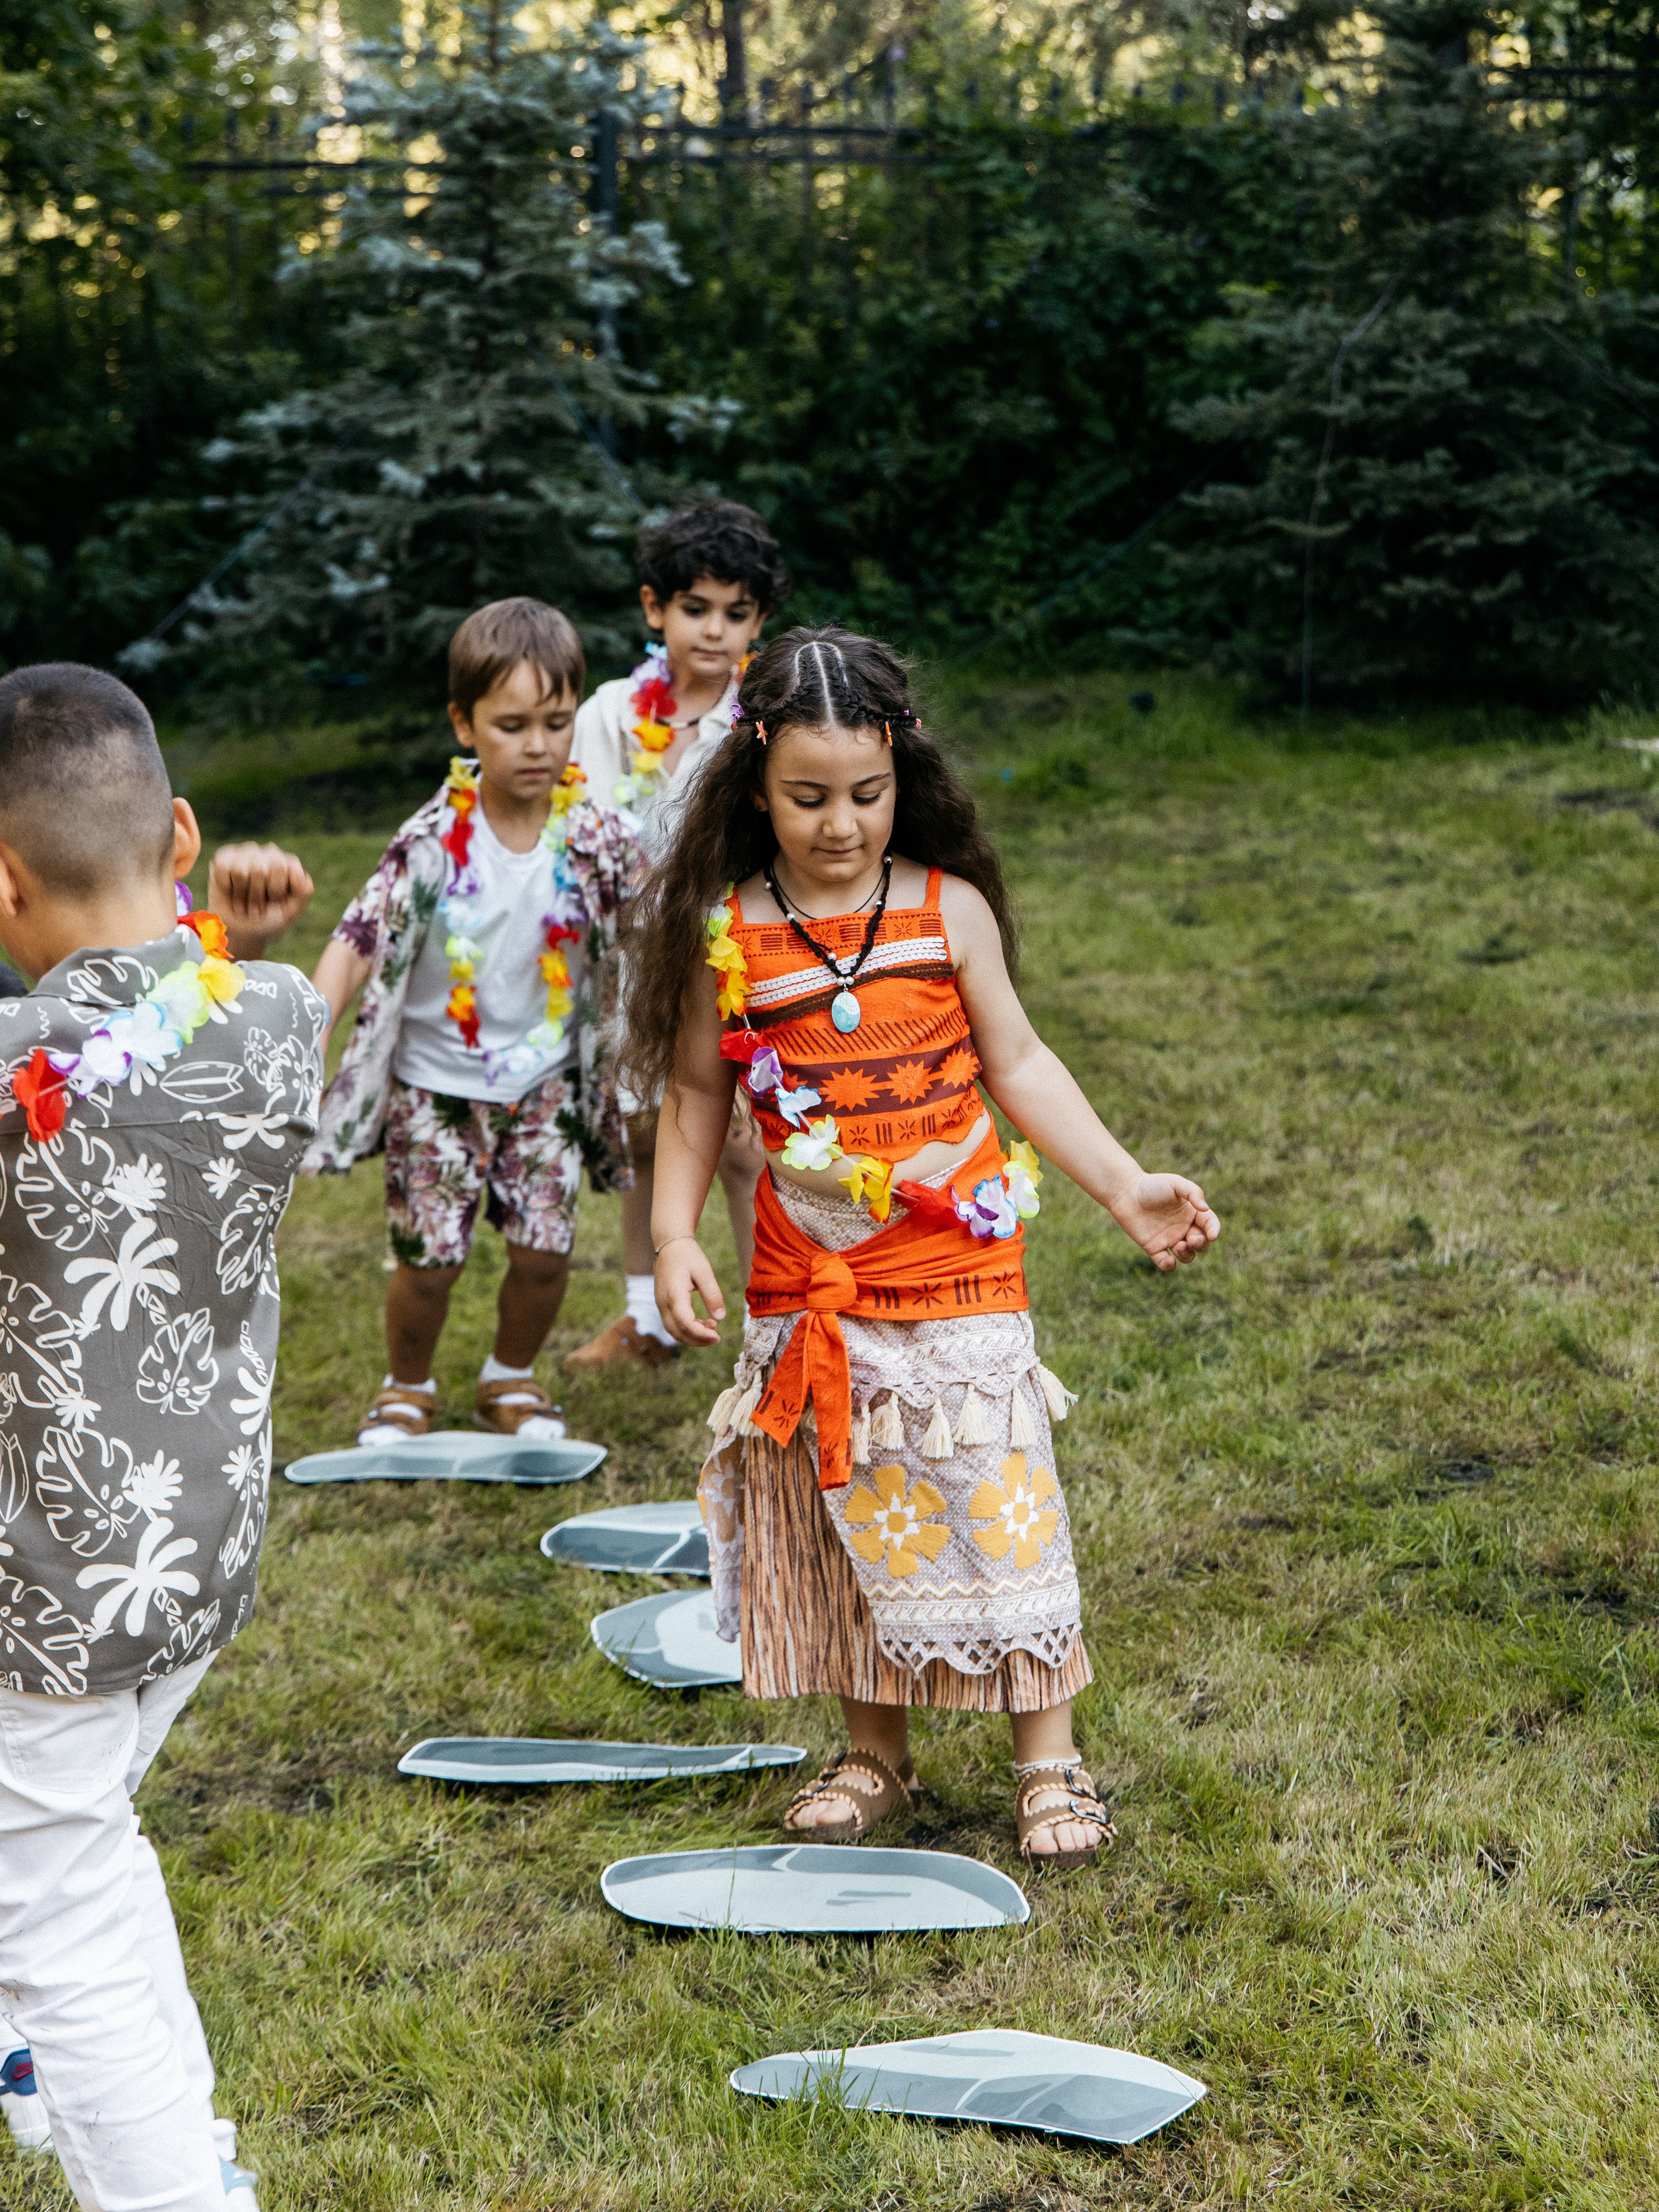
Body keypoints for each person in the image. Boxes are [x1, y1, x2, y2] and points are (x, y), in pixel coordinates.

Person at [629, 628, 1220, 1868]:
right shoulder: (730, 932)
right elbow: (695, 1096)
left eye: (865, 793)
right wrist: (676, 1231)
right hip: (815, 1279)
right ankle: (875, 1752)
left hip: (955, 1265)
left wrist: (1124, 1187)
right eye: (806, 798)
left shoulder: (944, 909)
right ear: (752, 786)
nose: (840, 824)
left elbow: (1020, 1062)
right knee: (857, 1504)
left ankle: (1048, 1759)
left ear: (903, 772)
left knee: (996, 1497)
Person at [0, 662, 323, 2208]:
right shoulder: (272, 1016)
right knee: (84, 1851)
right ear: (181, 836)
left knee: (47, 1913)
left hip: (48, 1590)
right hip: (197, 1554)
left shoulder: (20, 1078)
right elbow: (190, 988)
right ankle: (167, 2144)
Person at [213, 597, 635, 1446]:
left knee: (545, 1253)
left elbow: (653, 932)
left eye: (556, 723)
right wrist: (311, 1028)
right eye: (511, 724)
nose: (538, 745)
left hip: (546, 1084)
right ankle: (406, 1385)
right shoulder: (434, 839)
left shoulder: (596, 835)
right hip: (435, 1088)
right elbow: (357, 938)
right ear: (463, 723)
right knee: (430, 1261)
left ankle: (510, 1378)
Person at [564, 498, 788, 1373]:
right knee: (646, 1133)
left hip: (729, 958)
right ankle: (646, 1318)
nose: (715, 630)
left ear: (758, 621)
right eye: (696, 608)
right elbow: (577, 820)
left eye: (737, 614)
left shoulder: (757, 720)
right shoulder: (614, 713)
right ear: (655, 607)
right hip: (630, 958)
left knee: (741, 1143)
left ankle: (777, 1321)